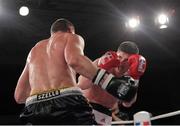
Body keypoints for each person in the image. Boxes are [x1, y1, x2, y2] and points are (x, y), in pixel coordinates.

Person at [14, 19, 136, 125]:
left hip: (34, 107)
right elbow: (75, 61)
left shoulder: (33, 51)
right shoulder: (71, 37)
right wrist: (108, 81)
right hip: (66, 102)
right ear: (70, 30)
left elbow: (19, 95)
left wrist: (42, 96)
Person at [78, 41, 147, 125]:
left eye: (126, 60)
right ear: (116, 53)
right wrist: (101, 68)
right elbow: (81, 85)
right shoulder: (100, 62)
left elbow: (128, 103)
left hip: (104, 114)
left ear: (132, 62)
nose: (121, 62)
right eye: (120, 57)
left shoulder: (129, 77)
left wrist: (136, 78)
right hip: (84, 106)